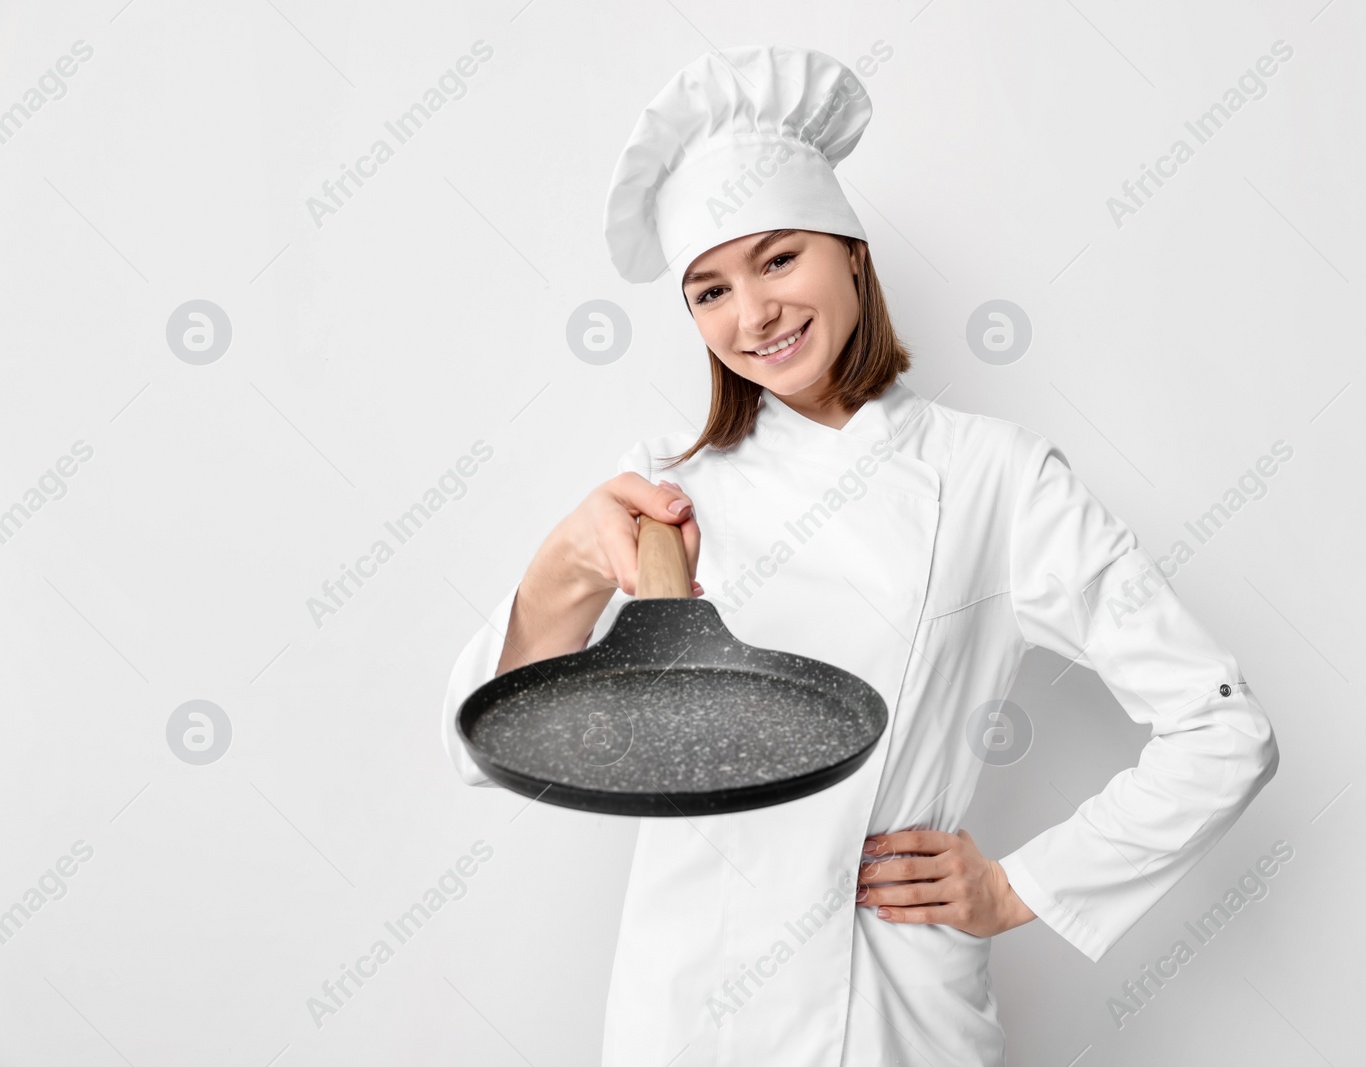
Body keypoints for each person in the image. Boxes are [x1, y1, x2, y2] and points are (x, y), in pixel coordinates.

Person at [441, 43, 1279, 1066]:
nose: (752, 315)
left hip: (889, 1012)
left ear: (851, 253)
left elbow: (1221, 726)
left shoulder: (991, 478)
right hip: (681, 1011)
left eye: (778, 258)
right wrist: (565, 565)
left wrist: (1020, 885)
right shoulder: (662, 490)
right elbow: (479, 747)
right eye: (708, 290)